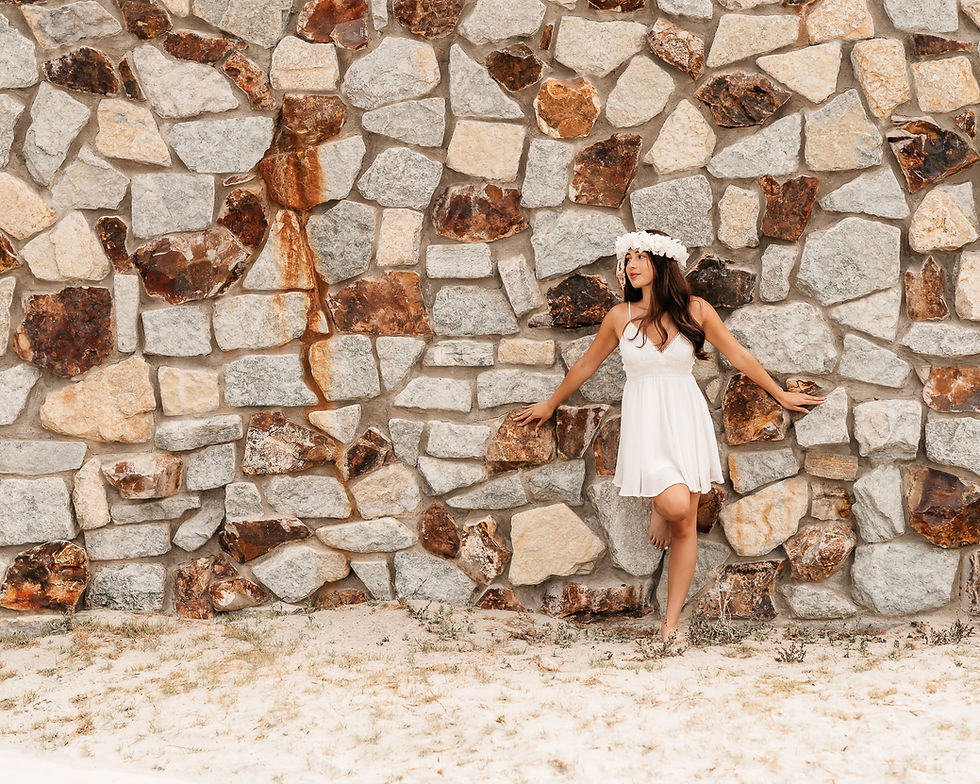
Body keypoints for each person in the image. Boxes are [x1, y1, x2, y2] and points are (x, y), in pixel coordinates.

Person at [513, 230, 826, 644]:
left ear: (662, 264)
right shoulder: (619, 317)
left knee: (685, 527)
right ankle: (662, 503)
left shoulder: (695, 310)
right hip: (646, 422)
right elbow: (587, 366)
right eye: (628, 260)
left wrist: (779, 391)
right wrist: (551, 404)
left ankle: (670, 626)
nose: (632, 266)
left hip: (685, 417)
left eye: (640, 257)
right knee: (677, 505)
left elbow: (738, 355)